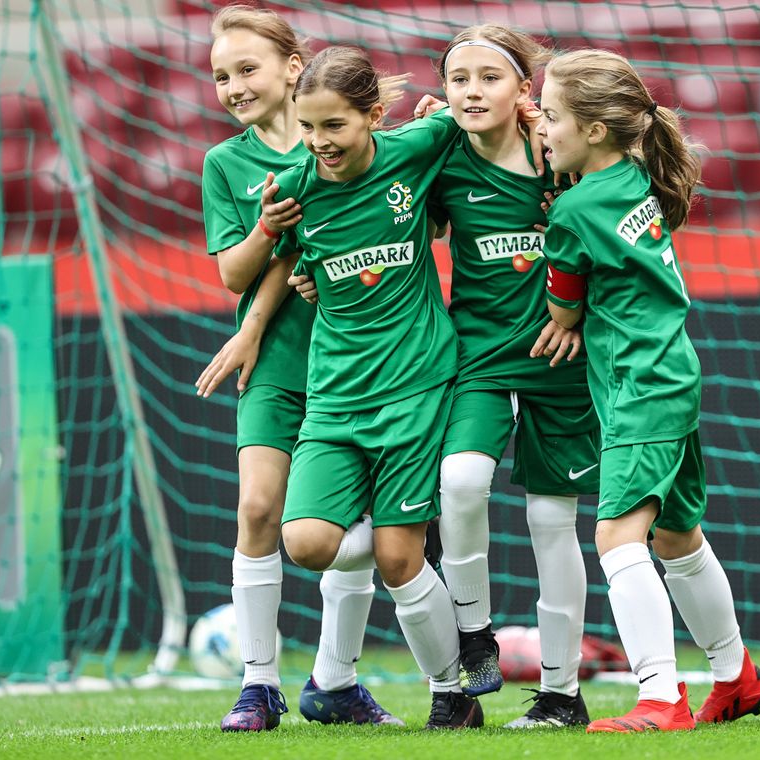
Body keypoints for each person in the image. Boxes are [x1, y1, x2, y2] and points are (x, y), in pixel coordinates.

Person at [537, 48, 760, 732]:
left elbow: (563, 313)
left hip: (640, 385)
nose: (543, 128)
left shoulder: (575, 210)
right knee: (676, 535)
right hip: (673, 373)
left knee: (616, 536)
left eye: (551, 116)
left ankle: (659, 697)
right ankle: (737, 679)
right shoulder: (641, 174)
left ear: (594, 130)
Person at [197, 4, 400, 732]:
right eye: (221, 75)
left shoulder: (344, 143)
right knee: (257, 509)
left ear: (291, 68)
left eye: (247, 69)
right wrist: (266, 233)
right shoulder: (226, 164)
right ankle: (257, 686)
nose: (233, 86)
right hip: (280, 365)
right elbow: (232, 271)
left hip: (361, 363)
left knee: (349, 531)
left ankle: (334, 680)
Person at [269, 45, 483, 730]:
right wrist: (293, 266)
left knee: (399, 559)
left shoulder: (416, 146)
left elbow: (477, 116)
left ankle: (452, 695)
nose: (319, 142)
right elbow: (274, 265)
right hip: (335, 395)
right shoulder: (295, 186)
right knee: (304, 542)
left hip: (417, 386)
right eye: (308, 126)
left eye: (334, 125)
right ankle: (347, 652)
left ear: (373, 115)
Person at [427, 25, 597, 728]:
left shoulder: (563, 156)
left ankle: (561, 693)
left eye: (489, 77)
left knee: (552, 521)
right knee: (461, 483)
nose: (472, 90)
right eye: (458, 77)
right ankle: (475, 641)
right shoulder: (435, 155)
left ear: (523, 89)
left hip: (563, 363)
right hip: (480, 358)